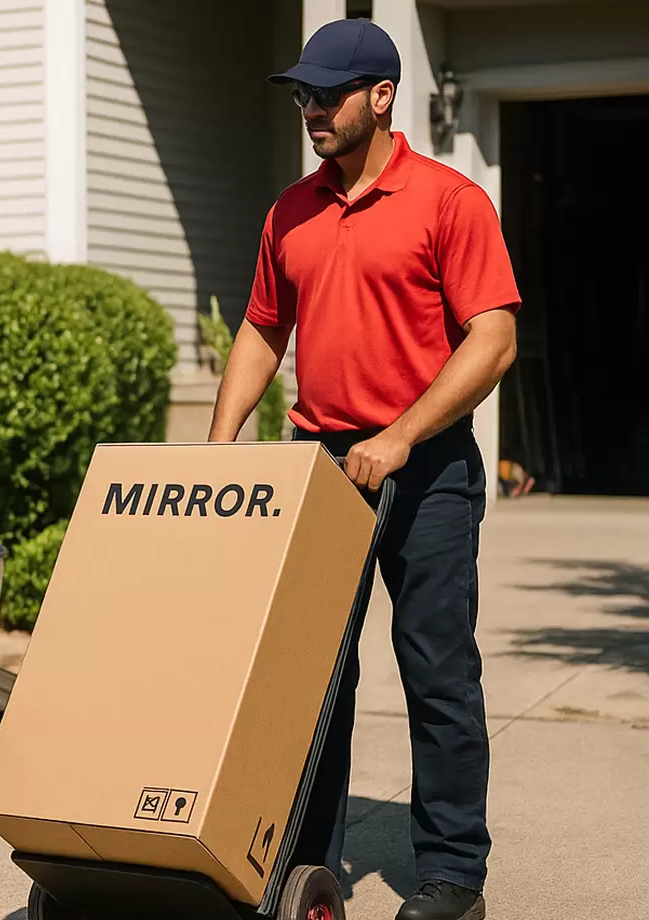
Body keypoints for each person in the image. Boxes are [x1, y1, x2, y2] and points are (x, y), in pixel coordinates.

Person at [208, 18, 519, 920]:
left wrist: (400, 436)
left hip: (426, 474)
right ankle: (309, 869)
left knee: (437, 672)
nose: (309, 109)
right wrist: (222, 447)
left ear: (381, 97)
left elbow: (492, 340)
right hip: (320, 468)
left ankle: (455, 876)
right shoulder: (291, 211)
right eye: (301, 94)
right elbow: (265, 330)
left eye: (326, 94)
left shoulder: (450, 201)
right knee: (313, 676)